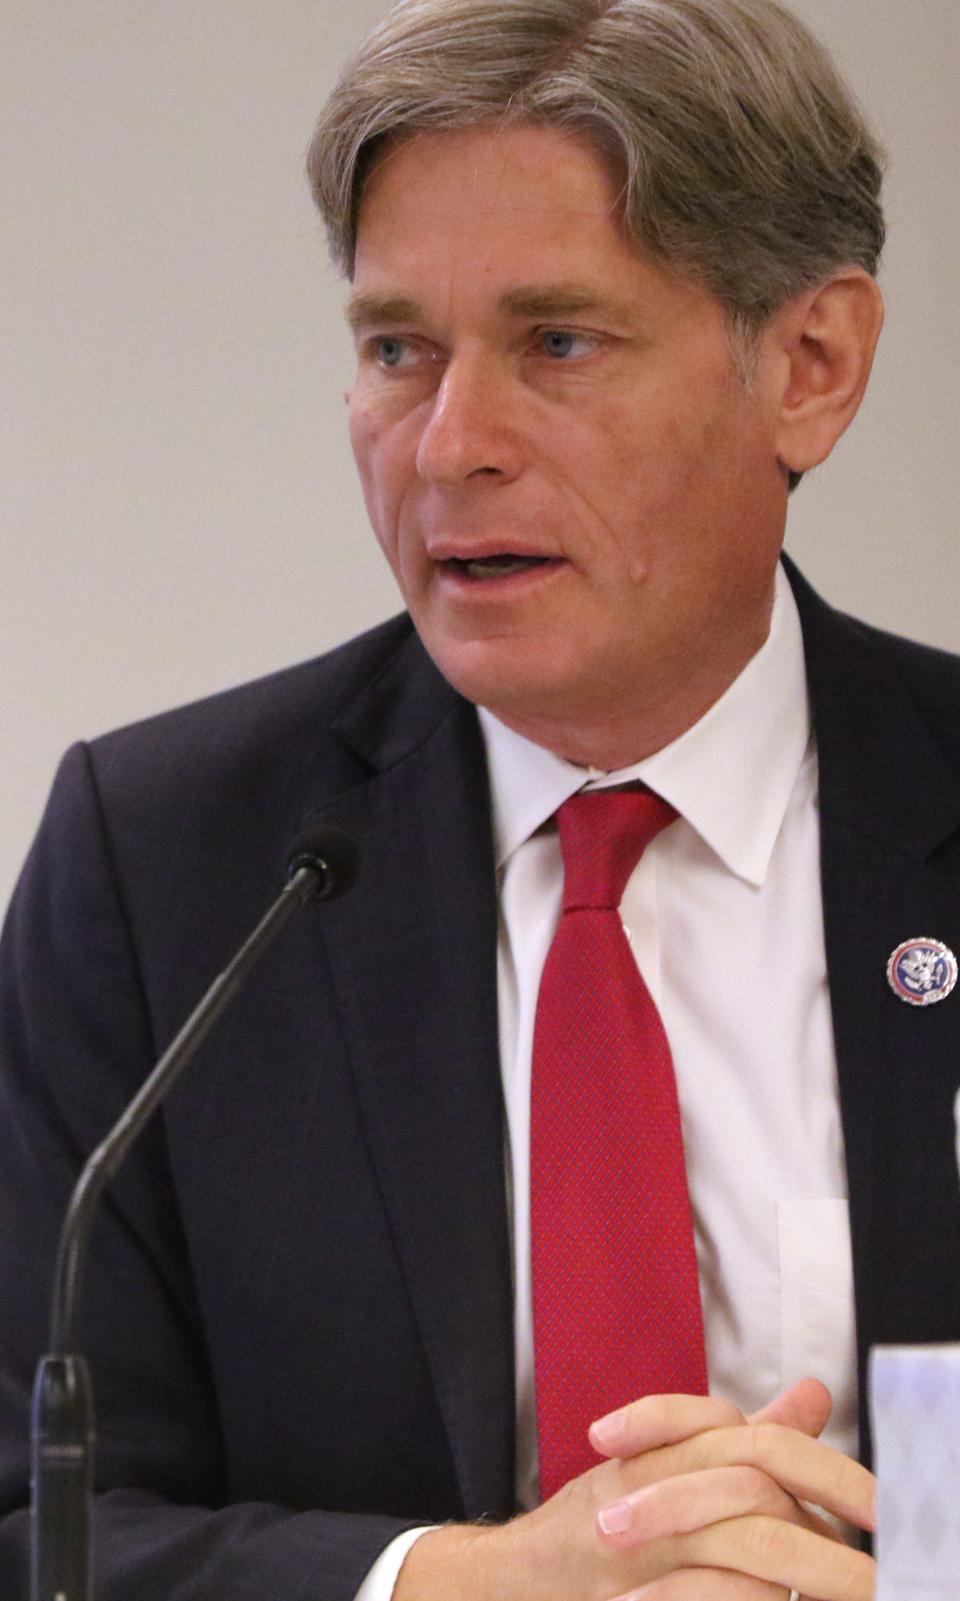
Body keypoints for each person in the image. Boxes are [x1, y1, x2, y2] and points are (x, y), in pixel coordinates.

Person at [2, 0, 958, 1597]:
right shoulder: (170, 861)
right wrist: (468, 1583)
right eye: (398, 350)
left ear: (810, 365)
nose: (451, 446)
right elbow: (38, 1524)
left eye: (557, 343)